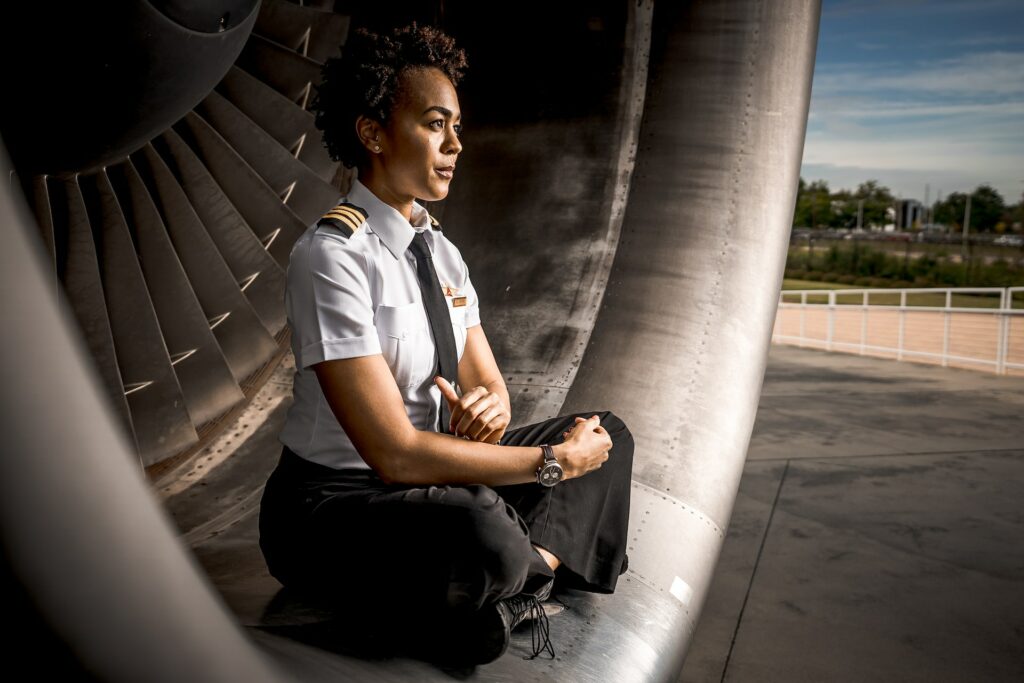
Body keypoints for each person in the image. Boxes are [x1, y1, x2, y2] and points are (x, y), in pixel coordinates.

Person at [257, 23, 634, 666]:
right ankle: (521, 573)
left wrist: (490, 411)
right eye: (436, 124)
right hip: (335, 504)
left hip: (432, 477)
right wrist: (550, 466)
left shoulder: (443, 252)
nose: (456, 143)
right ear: (373, 133)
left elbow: (490, 386)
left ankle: (507, 588)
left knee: (605, 433)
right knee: (477, 518)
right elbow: (394, 454)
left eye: (457, 125)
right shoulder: (332, 258)